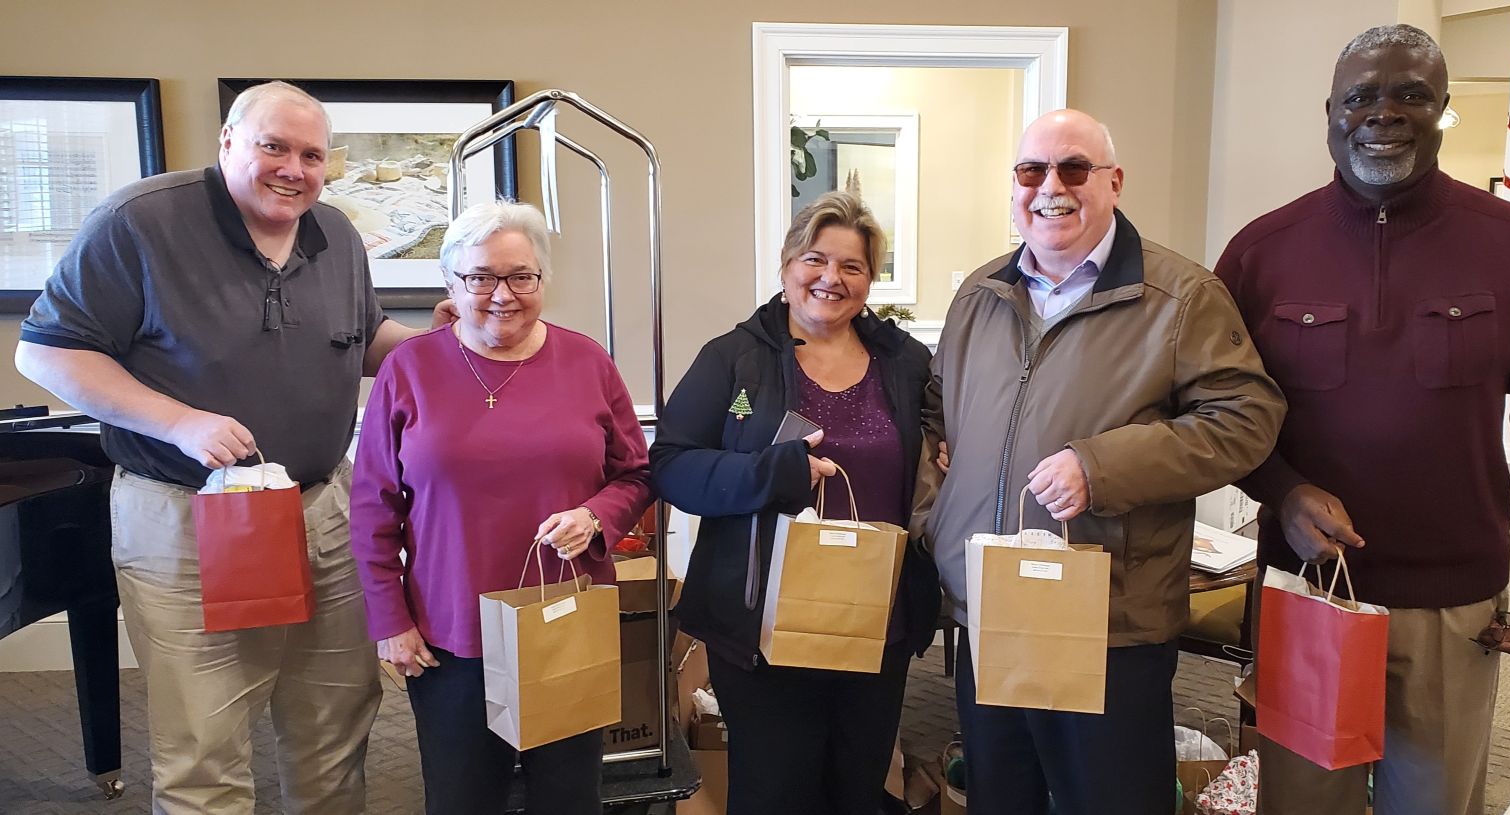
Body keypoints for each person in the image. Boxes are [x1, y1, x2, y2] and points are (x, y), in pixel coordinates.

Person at [1214, 25, 1510, 815]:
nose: (1382, 113)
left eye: (1411, 95)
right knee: (1300, 804)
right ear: (1330, 112)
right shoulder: (1260, 253)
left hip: (1452, 603)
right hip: (1309, 594)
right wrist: (1283, 491)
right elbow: (1219, 414)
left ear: (1443, 109)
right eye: (1360, 96)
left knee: (1435, 802)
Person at [12, 81, 434, 813]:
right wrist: (179, 422)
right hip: (185, 522)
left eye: (312, 155)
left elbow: (365, 339)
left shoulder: (334, 232)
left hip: (325, 513)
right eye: (274, 147)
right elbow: (47, 353)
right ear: (228, 141)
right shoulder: (138, 222)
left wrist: (452, 347)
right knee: (203, 749)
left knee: (336, 728)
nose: (294, 169)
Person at [912, 109, 1285, 814]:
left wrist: (1101, 467)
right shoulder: (979, 296)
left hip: (1110, 615)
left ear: (1114, 182)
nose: (1051, 186)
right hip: (989, 607)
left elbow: (1246, 419)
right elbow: (935, 414)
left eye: (1074, 168)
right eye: (1032, 170)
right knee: (1000, 796)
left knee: (1109, 799)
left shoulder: (1182, 299)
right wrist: (935, 518)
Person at [350, 200, 650, 815]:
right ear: (451, 283)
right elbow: (373, 508)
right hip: (448, 631)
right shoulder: (408, 369)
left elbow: (636, 473)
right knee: (462, 798)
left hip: (565, 618)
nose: (502, 295)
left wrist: (596, 516)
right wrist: (390, 621)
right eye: (481, 277)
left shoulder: (588, 361)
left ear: (542, 279)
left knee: (569, 799)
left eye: (520, 276)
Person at [649, 191, 941, 815]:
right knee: (774, 791)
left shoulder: (906, 363)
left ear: (870, 279)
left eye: (852, 266)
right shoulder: (734, 359)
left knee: (859, 789)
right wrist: (772, 473)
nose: (831, 278)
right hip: (763, 626)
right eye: (815, 259)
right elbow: (672, 465)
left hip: (877, 621)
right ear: (786, 266)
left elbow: (941, 445)